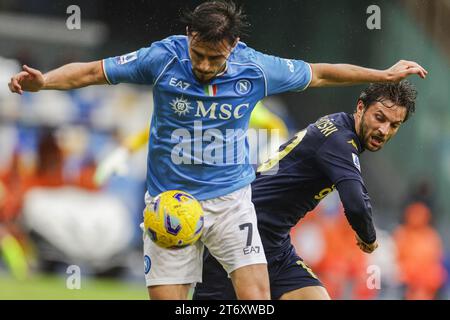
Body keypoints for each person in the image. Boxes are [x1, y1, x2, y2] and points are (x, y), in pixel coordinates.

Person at [8, 1, 427, 300]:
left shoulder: (255, 68)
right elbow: (92, 72)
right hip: (170, 203)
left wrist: (382, 74)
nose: (205, 65)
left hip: (231, 202)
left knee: (258, 295)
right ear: (188, 36)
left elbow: (318, 74)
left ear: (234, 44)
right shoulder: (162, 58)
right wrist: (45, 82)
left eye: (215, 58)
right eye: (199, 54)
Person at [193, 81, 419, 300]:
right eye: (379, 117)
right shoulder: (340, 141)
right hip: (242, 234)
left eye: (394, 125)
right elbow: (355, 203)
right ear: (360, 107)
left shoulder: (338, 125)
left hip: (274, 243)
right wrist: (368, 237)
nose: (383, 130)